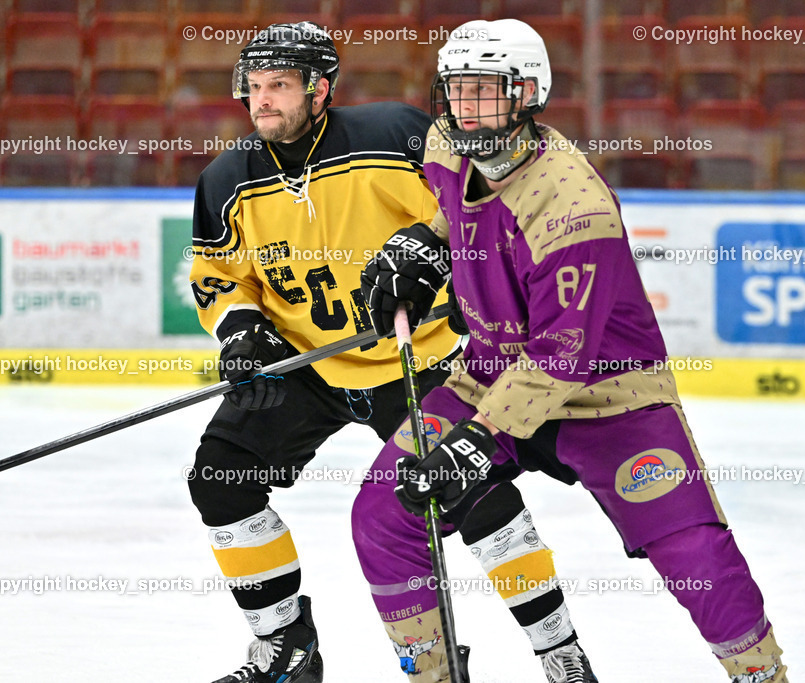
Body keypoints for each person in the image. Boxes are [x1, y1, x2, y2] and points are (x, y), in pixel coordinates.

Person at [356, 18, 788, 683]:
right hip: (489, 378)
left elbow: (561, 356)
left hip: (609, 395)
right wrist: (424, 249)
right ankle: (433, 672)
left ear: (527, 92)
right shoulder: (445, 145)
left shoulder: (572, 204)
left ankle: (762, 673)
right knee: (384, 508)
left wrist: (473, 444)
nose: (464, 108)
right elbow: (455, 211)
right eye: (455, 90)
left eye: (483, 91)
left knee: (693, 554)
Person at [188, 21, 584, 683]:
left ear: (320, 91)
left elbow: (478, 205)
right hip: (310, 366)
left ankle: (560, 651)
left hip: (418, 355)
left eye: (279, 86)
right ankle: (287, 646)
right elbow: (219, 274)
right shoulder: (227, 179)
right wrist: (240, 331)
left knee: (471, 487)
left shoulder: (393, 137)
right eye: (254, 87)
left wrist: (466, 275)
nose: (262, 101)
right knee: (220, 477)